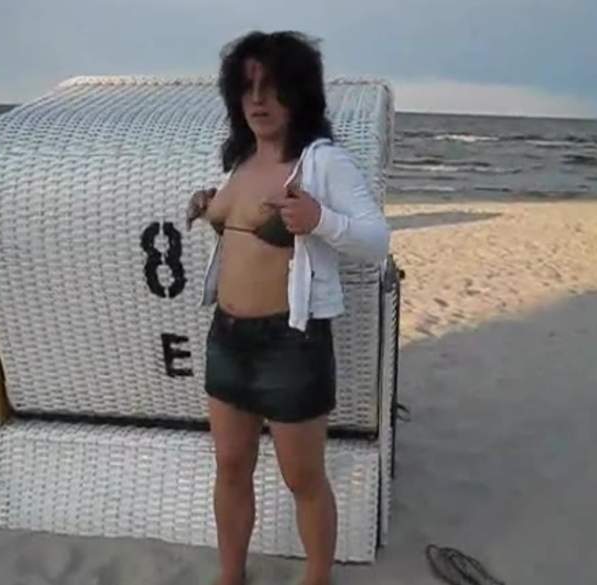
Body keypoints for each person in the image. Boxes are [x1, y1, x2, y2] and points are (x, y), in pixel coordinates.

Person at [186, 30, 390, 585]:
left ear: (298, 94)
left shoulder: (322, 163)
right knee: (231, 467)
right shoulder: (241, 161)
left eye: (272, 86)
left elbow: (376, 239)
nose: (258, 100)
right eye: (247, 87)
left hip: (290, 343)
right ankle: (231, 576)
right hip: (227, 338)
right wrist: (209, 205)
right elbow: (240, 225)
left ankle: (317, 578)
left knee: (303, 478)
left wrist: (321, 219)